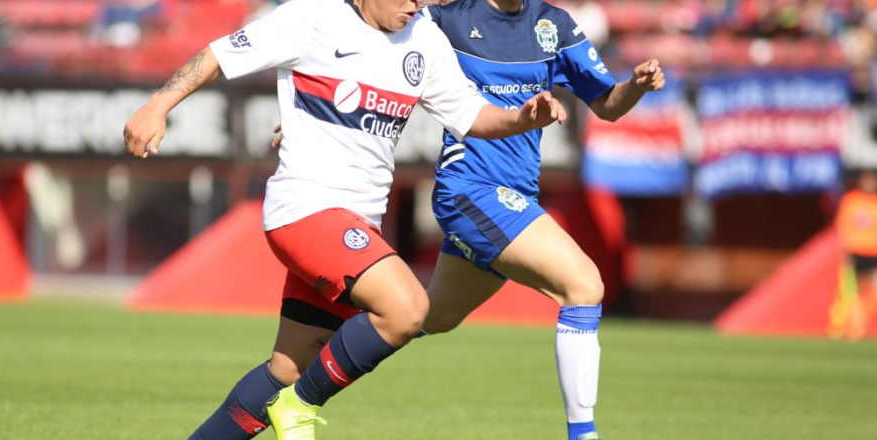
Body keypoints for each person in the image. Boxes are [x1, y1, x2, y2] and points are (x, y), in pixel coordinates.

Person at [122, 0, 567, 439]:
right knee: (407, 308)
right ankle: (300, 408)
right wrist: (158, 104)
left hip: (356, 223)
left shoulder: (425, 40)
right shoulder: (311, 17)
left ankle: (273, 405)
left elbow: (472, 117)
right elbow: (219, 55)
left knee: (287, 368)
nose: (418, 5)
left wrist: (521, 117)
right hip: (305, 209)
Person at [271, 1, 664, 438]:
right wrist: (316, 117)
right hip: (471, 191)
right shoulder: (448, 18)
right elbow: (368, 45)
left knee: (425, 317)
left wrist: (636, 86)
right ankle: (584, 435)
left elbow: (607, 104)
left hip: (515, 195)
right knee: (584, 285)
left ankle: (299, 380)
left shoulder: (553, 24)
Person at [829, 171, 877, 340]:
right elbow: (842, 229)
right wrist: (845, 253)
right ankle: (841, 329)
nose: (870, 185)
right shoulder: (851, 201)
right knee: (850, 294)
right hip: (855, 253)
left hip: (875, 254)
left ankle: (858, 323)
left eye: (873, 181)